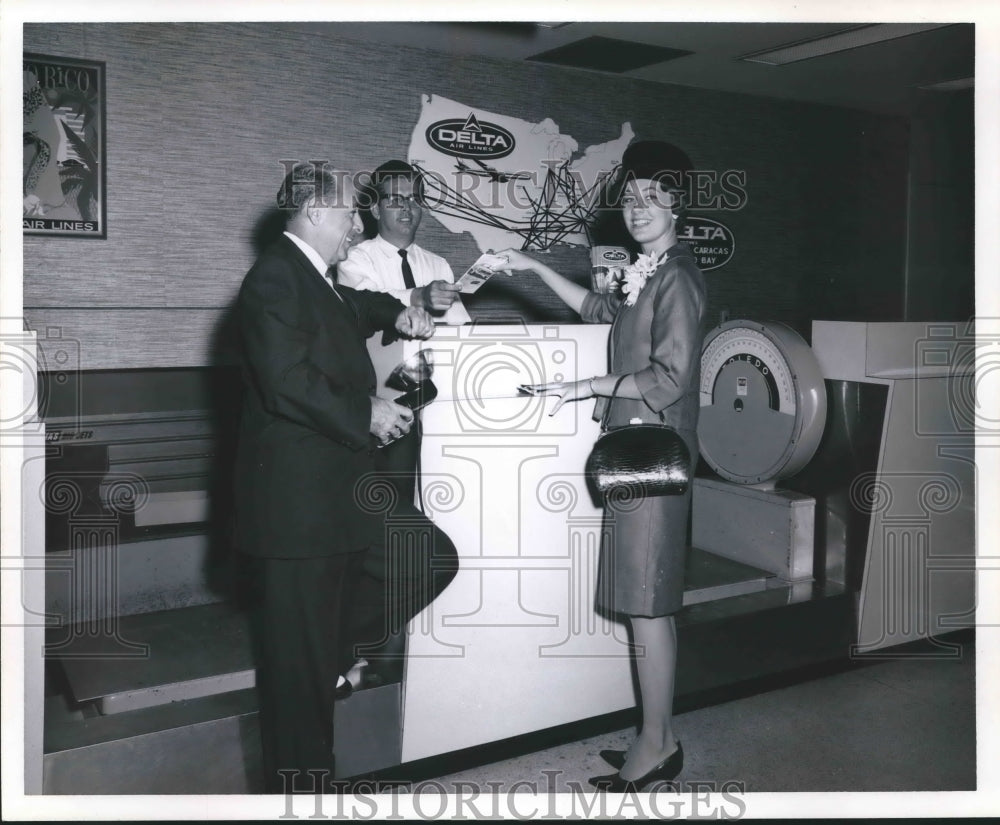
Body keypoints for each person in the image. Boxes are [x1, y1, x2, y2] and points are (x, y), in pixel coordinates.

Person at [234, 162, 457, 793]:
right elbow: (287, 380)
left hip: (339, 493)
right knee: (300, 704)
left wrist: (403, 312)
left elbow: (357, 307)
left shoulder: (317, 278)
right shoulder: (274, 279)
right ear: (312, 212)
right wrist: (368, 412)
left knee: (428, 559)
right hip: (299, 508)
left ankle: (328, 650)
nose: (358, 222)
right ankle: (304, 797)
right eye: (348, 213)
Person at [497, 140, 706, 792]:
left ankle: (656, 743)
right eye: (631, 196)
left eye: (652, 197)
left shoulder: (679, 277)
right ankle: (657, 733)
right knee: (646, 603)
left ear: (677, 204)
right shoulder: (650, 269)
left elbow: (669, 376)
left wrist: (586, 386)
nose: (637, 208)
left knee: (647, 605)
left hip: (654, 452)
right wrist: (531, 265)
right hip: (634, 450)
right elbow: (599, 311)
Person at [338, 160, 469, 504]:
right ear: (376, 208)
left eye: (414, 198)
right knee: (392, 502)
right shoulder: (354, 259)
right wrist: (419, 296)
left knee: (443, 492)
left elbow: (461, 329)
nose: (407, 207)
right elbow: (366, 306)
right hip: (386, 402)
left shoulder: (438, 264)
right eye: (395, 199)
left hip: (440, 396)